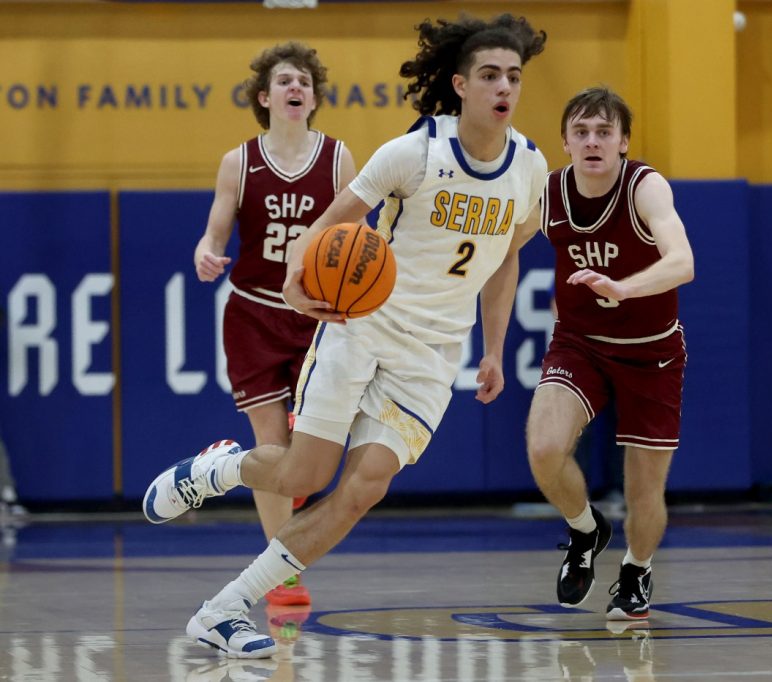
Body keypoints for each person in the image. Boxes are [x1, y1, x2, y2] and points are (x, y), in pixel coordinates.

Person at [143, 13, 548, 658]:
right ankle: (217, 470)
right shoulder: (413, 152)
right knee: (306, 470)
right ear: (461, 85)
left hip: (434, 354)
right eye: (491, 75)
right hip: (364, 325)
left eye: (515, 77)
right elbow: (324, 228)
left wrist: (494, 348)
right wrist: (300, 286)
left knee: (363, 489)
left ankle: (223, 610)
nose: (505, 87)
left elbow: (504, 261)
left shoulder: (530, 167)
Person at [181, 41, 356, 609]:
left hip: (316, 315)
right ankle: (279, 571)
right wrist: (207, 251)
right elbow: (215, 229)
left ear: (313, 97)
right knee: (272, 448)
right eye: (284, 80)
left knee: (306, 463)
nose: (295, 87)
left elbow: (358, 239)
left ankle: (251, 487)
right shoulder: (239, 161)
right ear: (266, 96)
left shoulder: (338, 159)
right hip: (254, 313)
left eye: (303, 80)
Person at [526, 87, 694, 620]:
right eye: (581, 132)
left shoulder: (645, 186)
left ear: (623, 141)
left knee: (644, 489)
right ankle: (584, 529)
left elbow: (683, 261)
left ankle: (637, 568)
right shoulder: (548, 192)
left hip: (651, 352)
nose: (592, 141)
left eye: (604, 132)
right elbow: (500, 251)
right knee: (544, 449)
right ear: (565, 142)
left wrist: (625, 287)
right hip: (579, 344)